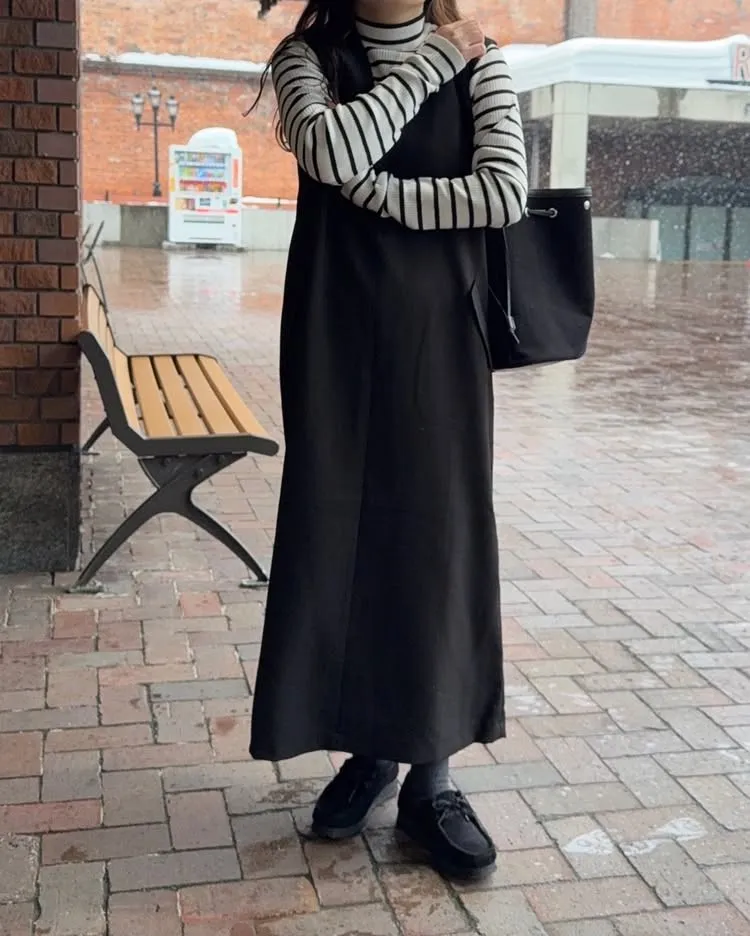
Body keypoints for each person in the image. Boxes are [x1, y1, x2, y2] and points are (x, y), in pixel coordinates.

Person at [247, 0, 528, 881]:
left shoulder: (486, 62)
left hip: (441, 339)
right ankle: (370, 750)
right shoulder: (306, 59)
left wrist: (383, 196)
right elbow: (330, 153)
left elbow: (504, 192)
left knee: (435, 542)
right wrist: (436, 59)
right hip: (334, 335)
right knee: (342, 536)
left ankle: (429, 780)